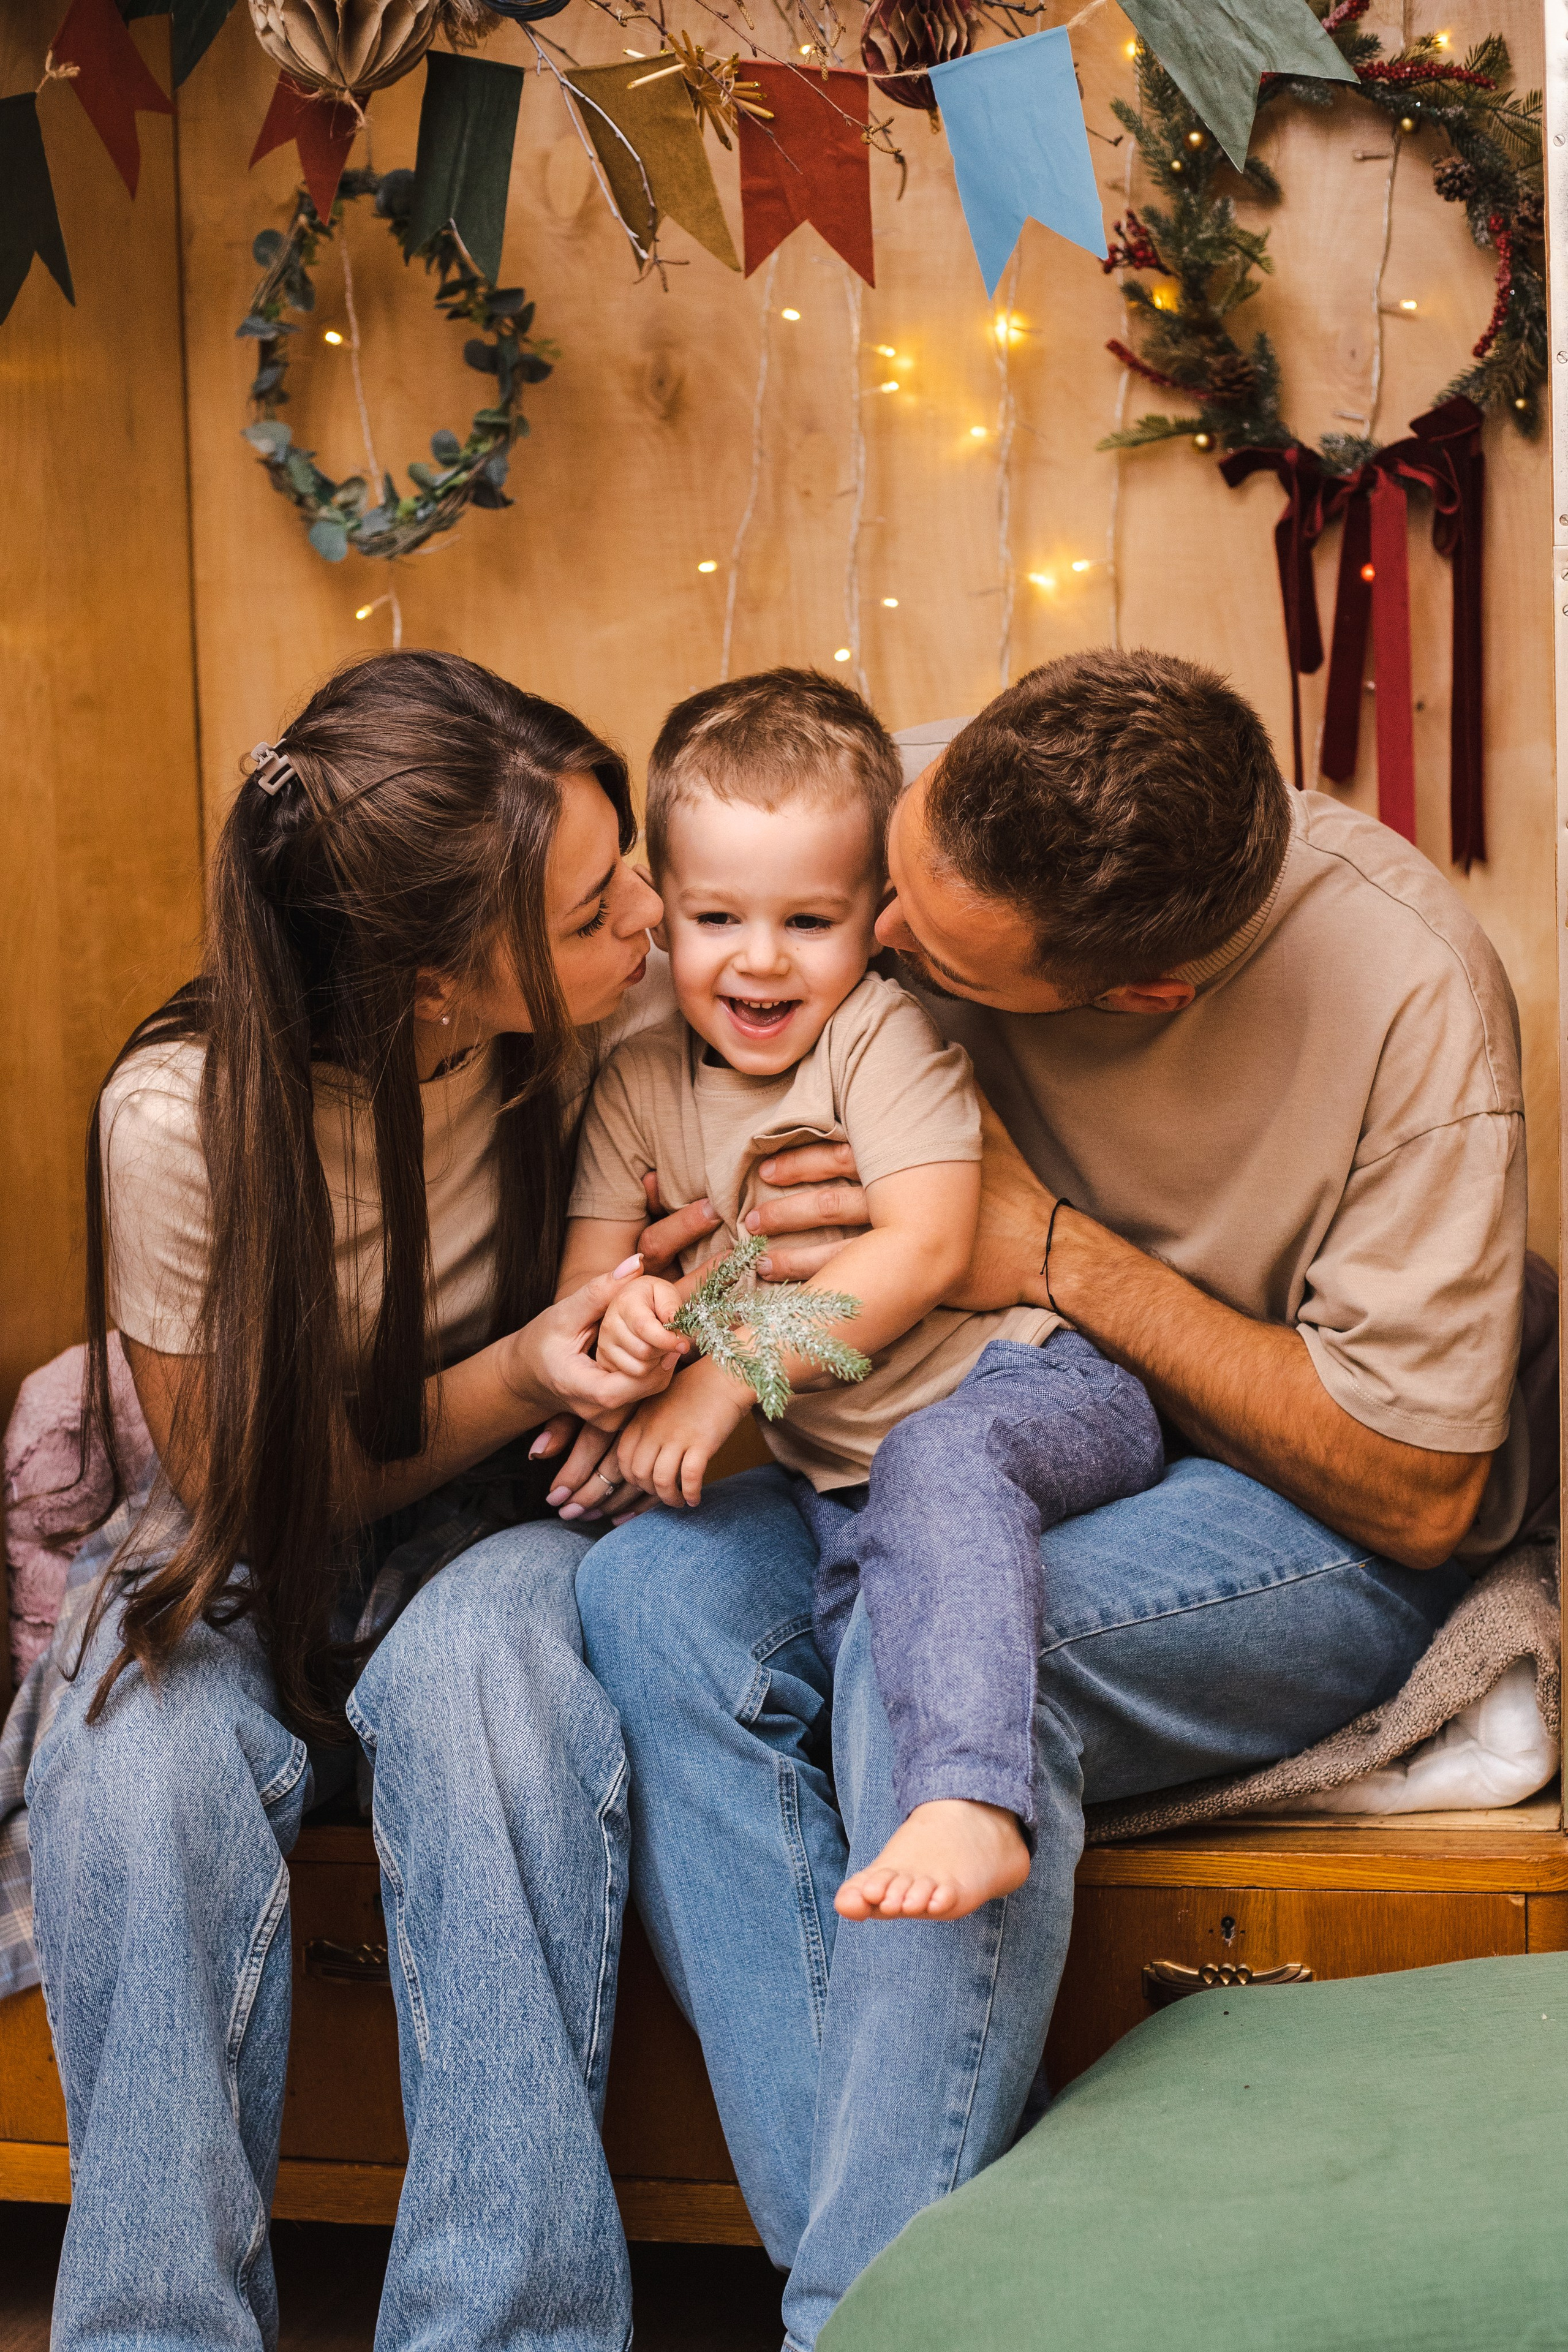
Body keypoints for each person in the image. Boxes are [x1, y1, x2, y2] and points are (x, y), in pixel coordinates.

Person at [575, 647, 1529, 2352]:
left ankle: (843, 2324)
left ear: (1140, 996)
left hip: (1272, 1506)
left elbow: (1423, 1494)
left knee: (957, 1649)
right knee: (643, 1602)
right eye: (892, 886)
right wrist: (710, 1275)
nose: (872, 949)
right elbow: (721, 1033)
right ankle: (885, 2291)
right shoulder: (895, 815)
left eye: (919, 952)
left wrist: (1060, 1259)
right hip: (892, 1423)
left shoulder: (1409, 1002)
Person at [21, 650, 703, 2352]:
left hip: (500, 1518)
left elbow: (839, 861)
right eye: (595, 896)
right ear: (436, 986)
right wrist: (532, 1365)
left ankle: (507, 2324)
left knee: (491, 1685)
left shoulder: (610, 1009)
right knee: (131, 1734)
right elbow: (235, 1500)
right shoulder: (182, 1114)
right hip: (261, 1514)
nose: (650, 908)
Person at [551, 671, 1162, 1921]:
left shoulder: (880, 1038)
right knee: (859, 1610)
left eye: (809, 922)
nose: (761, 960)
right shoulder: (631, 1086)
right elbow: (592, 1299)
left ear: (873, 918)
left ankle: (974, 1800)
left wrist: (725, 1372)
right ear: (660, 909)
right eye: (718, 916)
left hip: (1027, 1389)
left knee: (935, 1464)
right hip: (845, 1483)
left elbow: (925, 1250)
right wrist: (628, 1331)